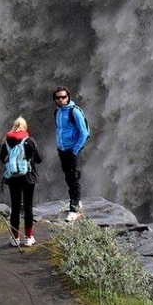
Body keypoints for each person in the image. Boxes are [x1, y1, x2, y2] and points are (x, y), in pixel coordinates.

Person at [0, 116, 44, 246]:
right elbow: (40, 159)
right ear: (24, 127)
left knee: (15, 207)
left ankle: (15, 239)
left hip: (13, 178)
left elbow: (3, 158)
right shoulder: (30, 140)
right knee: (28, 207)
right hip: (28, 177)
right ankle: (29, 238)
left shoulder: (6, 141)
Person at [52, 86, 89, 221]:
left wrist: (75, 149)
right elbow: (60, 130)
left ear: (68, 97)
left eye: (63, 97)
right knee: (68, 177)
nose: (61, 100)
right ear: (55, 99)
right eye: (58, 98)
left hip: (72, 150)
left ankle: (75, 209)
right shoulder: (57, 112)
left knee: (74, 178)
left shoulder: (74, 112)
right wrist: (59, 146)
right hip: (62, 149)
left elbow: (84, 132)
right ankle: (76, 202)